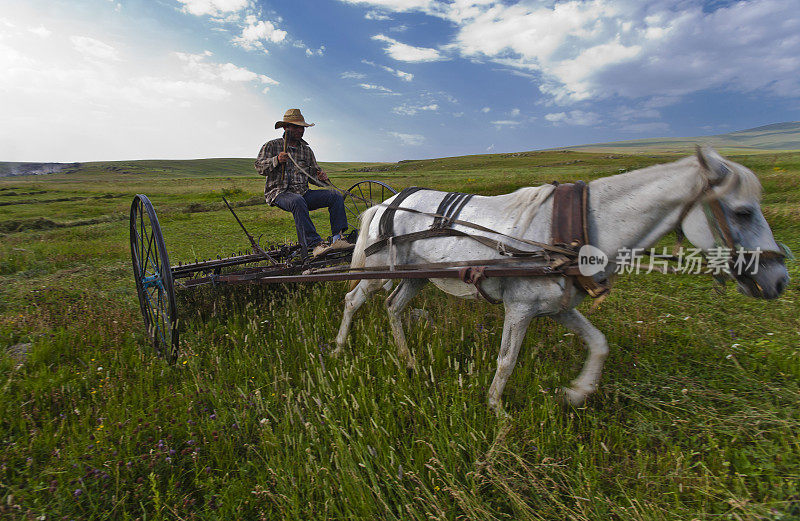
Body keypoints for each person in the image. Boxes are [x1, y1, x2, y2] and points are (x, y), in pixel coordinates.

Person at [254, 109, 350, 257]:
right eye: (296, 127)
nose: (300, 130)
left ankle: (338, 240)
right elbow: (259, 167)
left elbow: (313, 175)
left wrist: (322, 178)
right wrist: (276, 160)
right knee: (297, 201)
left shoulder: (307, 151)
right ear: (286, 127)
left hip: (304, 193)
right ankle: (315, 245)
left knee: (335, 196)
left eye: (302, 127)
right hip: (280, 193)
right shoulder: (272, 146)